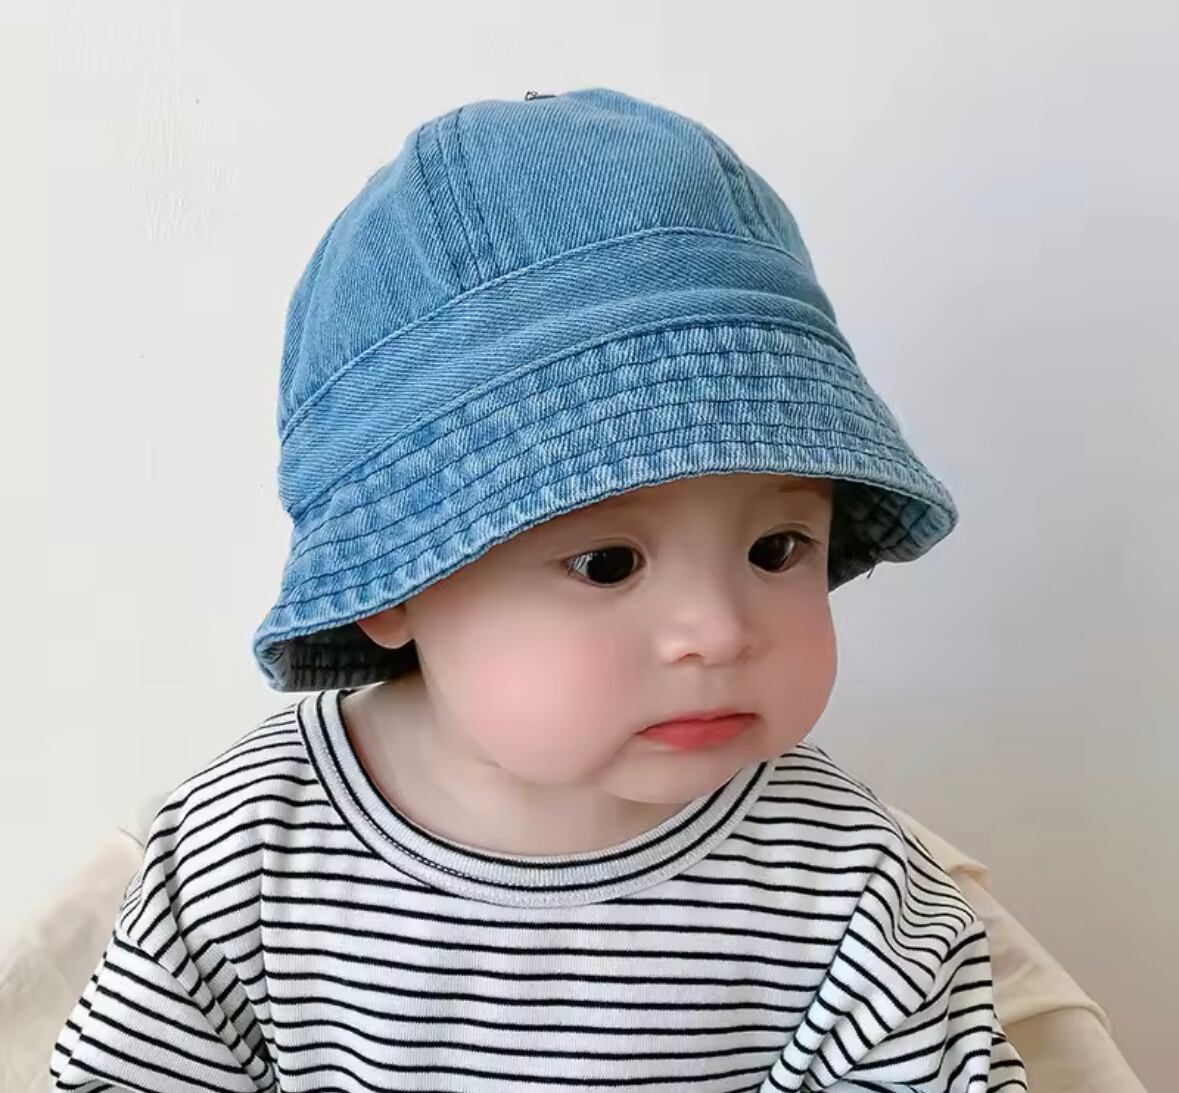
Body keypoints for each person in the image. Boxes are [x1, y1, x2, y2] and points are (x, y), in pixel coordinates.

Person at [49, 87, 1028, 1091]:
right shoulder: (246, 856)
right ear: (392, 580)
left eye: (777, 548)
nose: (718, 630)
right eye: (607, 562)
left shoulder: (849, 887)